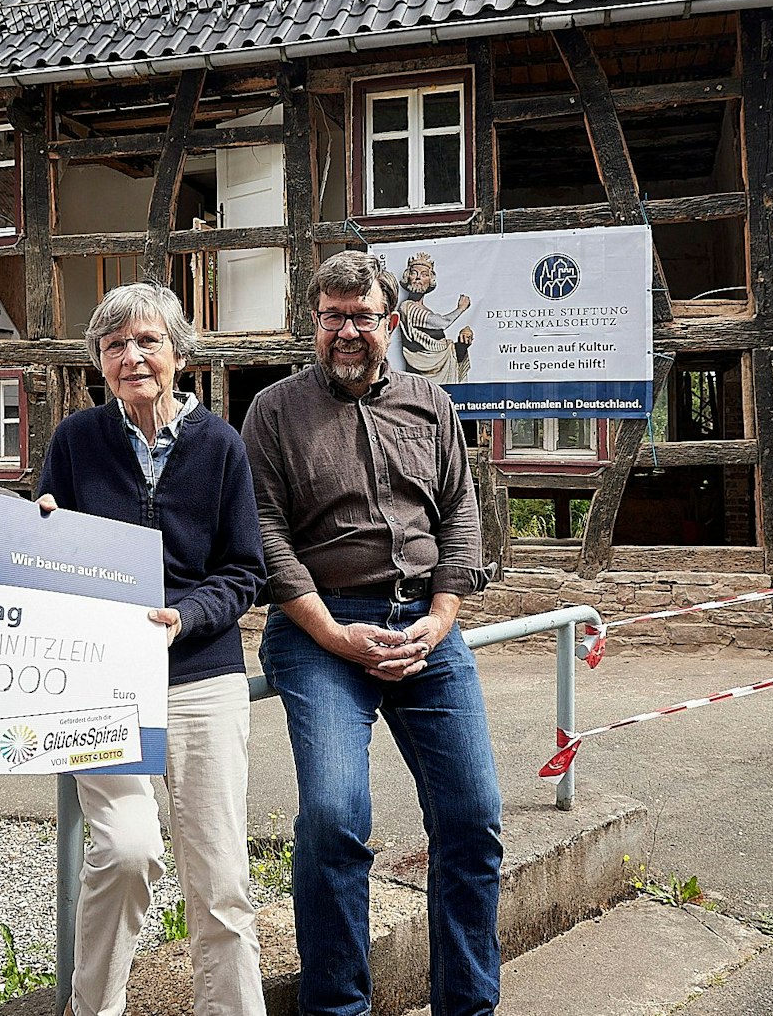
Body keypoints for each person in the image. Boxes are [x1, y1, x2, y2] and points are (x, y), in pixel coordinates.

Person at [242, 251, 502, 1016]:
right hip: (321, 630)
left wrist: (441, 619)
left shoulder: (433, 404)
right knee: (332, 819)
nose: (348, 330)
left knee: (472, 819)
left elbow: (459, 513)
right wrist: (331, 632)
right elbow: (264, 530)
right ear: (313, 323)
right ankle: (336, 1010)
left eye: (362, 315)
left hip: (426, 625)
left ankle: (467, 1007)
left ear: (391, 322)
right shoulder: (274, 412)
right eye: (333, 316)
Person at [35, 282, 267, 1016]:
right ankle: (92, 1007)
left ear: (180, 353)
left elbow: (244, 570)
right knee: (129, 849)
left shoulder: (222, 446)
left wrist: (186, 615)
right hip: (100, 678)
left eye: (147, 342)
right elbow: (44, 550)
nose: (131, 356)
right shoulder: (76, 440)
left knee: (222, 875)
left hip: (201, 675)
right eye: (113, 345)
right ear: (98, 361)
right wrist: (36, 527)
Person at [395, 251, 474, 384]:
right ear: (408, 277)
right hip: (423, 377)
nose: (418, 278)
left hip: (443, 370)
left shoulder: (425, 310)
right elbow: (440, 323)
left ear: (430, 280)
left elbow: (441, 349)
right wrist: (461, 308)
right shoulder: (407, 308)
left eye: (424, 274)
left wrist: (462, 345)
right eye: (414, 273)